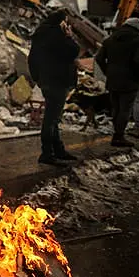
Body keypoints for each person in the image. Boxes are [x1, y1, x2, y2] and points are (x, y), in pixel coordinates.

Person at [28, 9, 80, 166]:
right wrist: (69, 36)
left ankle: (58, 150)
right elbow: (73, 51)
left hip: (47, 81)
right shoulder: (58, 36)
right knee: (51, 119)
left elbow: (32, 59)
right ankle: (47, 153)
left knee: (54, 117)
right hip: (58, 81)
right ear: (62, 22)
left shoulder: (40, 35)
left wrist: (38, 78)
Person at [96, 17, 139, 147]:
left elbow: (99, 58)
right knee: (125, 109)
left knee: (116, 108)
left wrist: (108, 71)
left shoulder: (110, 39)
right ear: (137, 27)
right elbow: (138, 61)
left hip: (113, 79)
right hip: (130, 80)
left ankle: (117, 134)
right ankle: (119, 136)